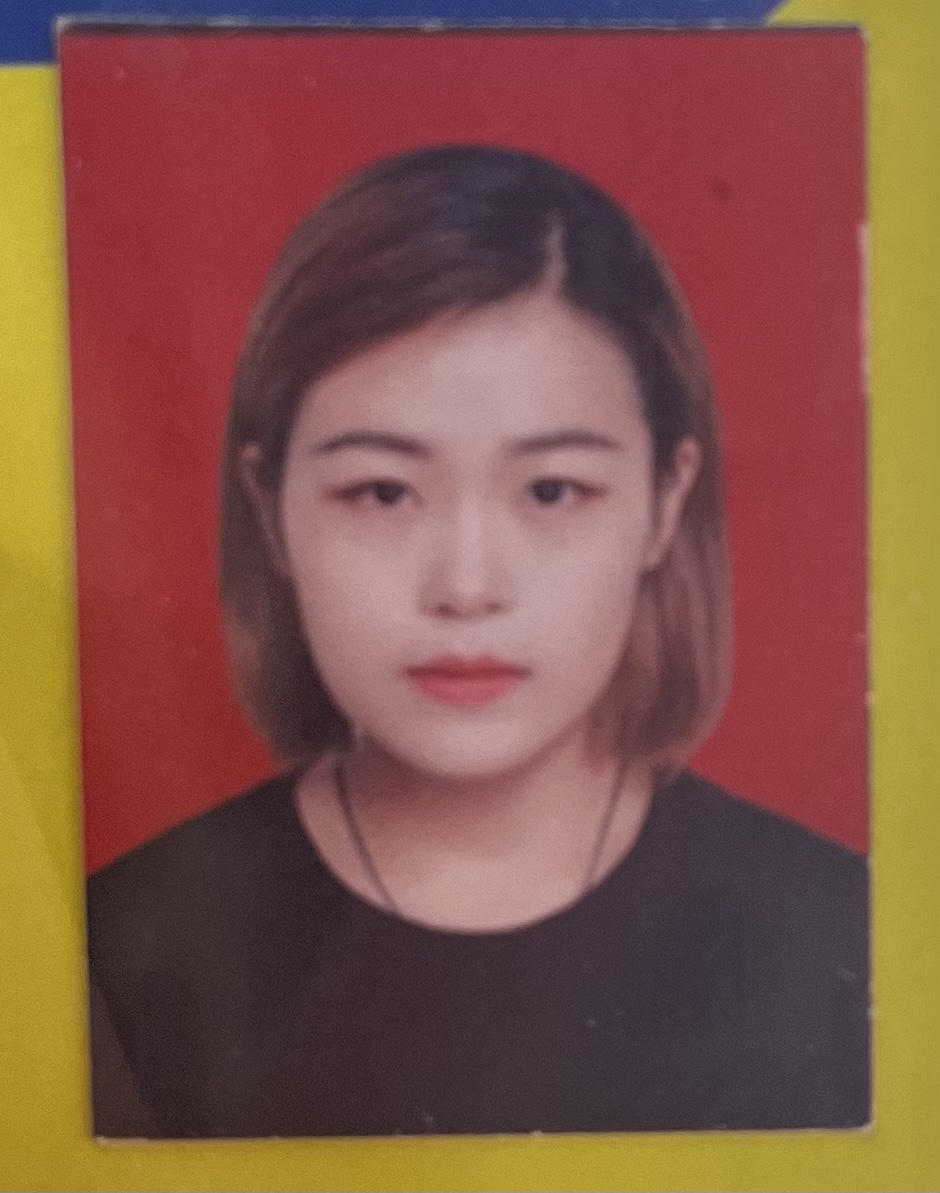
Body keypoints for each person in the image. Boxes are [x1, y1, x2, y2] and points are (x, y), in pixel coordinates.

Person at [86, 145, 869, 1138]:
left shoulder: (852, 939)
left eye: (552, 490)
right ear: (271, 507)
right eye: (382, 491)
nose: (465, 587)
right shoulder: (115, 952)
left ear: (665, 504)